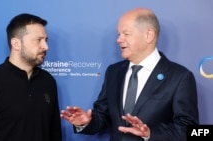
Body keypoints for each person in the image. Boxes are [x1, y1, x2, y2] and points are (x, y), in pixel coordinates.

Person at [60, 7, 199, 141]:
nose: (119, 39)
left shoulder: (180, 77)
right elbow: (104, 116)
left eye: (126, 34)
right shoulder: (114, 72)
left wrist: (150, 133)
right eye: (118, 34)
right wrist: (86, 122)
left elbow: (189, 130)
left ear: (148, 35)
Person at [0, 13, 62, 141]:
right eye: (38, 40)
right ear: (16, 44)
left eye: (46, 40)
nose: (46, 46)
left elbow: (55, 134)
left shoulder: (48, 81)